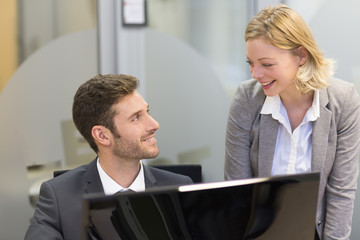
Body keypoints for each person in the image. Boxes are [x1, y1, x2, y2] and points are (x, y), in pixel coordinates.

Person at [224, 4, 360, 240]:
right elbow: (238, 191)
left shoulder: (343, 100)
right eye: (250, 63)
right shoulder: (247, 98)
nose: (255, 74)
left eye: (266, 64)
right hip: (258, 233)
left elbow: (341, 191)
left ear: (301, 55)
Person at [25, 74, 193, 240]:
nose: (154, 124)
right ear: (102, 136)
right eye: (136, 118)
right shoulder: (60, 196)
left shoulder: (181, 188)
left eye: (147, 112)